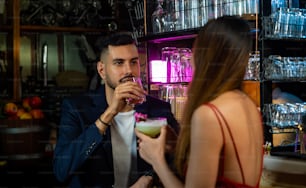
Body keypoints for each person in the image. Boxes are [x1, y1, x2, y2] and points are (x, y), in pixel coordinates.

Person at [135, 16, 264, 188]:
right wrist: (176, 146)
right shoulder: (246, 103)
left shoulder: (209, 114)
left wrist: (156, 160)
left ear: (204, 55)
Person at [53, 32, 179, 188]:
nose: (129, 71)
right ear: (102, 70)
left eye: (134, 62)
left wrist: (149, 177)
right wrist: (109, 113)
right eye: (119, 63)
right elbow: (61, 170)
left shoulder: (158, 109)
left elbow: (178, 160)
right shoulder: (76, 109)